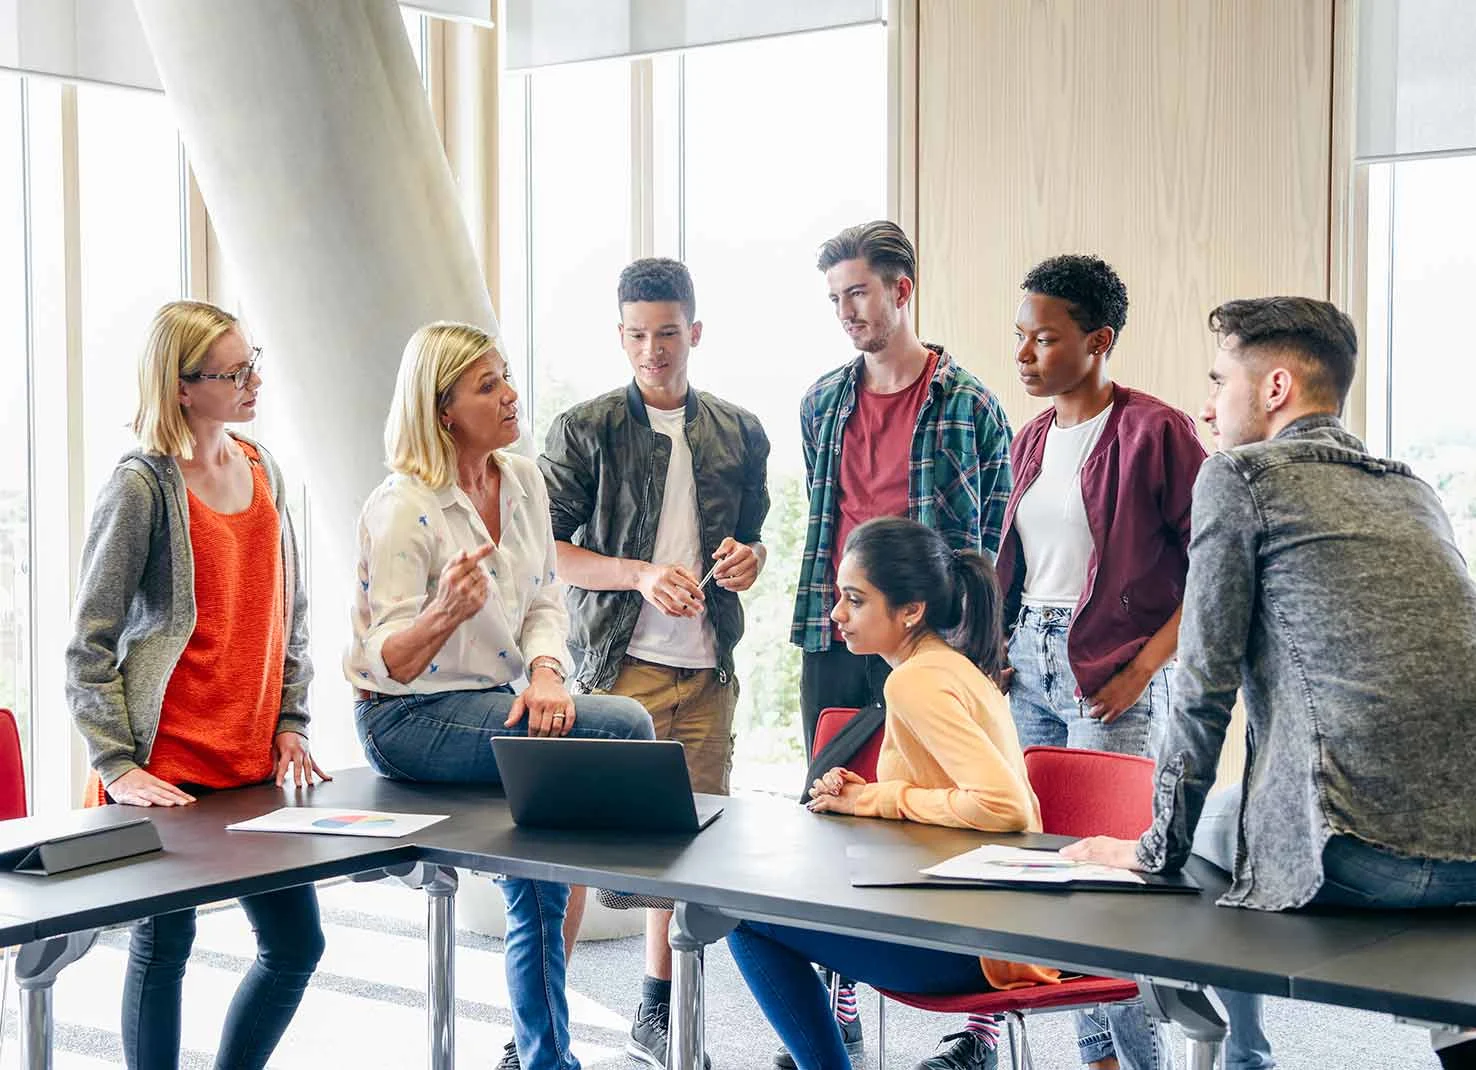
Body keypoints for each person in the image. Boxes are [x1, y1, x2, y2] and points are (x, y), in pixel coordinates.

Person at [1062, 296, 1476, 1070]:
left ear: (1276, 386)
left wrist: (1151, 850)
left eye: (1220, 380)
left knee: (1188, 841)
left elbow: (1205, 681)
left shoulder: (1241, 476)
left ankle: (1216, 1044)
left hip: (1354, 858)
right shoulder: (1413, 489)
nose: (1207, 404)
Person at [346, 321, 655, 1070]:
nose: (512, 394)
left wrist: (549, 672)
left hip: (497, 697)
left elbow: (547, 599)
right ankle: (626, 869)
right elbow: (384, 661)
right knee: (624, 723)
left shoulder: (521, 481)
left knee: (539, 880)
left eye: (507, 375)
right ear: (443, 408)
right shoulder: (401, 508)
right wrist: (443, 613)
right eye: (489, 385)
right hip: (406, 717)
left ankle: (547, 1059)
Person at [66, 300, 329, 1070]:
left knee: (296, 946)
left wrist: (293, 717)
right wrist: (117, 764)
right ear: (183, 388)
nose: (254, 380)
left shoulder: (260, 466)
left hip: (252, 766)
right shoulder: (142, 488)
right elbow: (90, 641)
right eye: (234, 371)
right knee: (165, 943)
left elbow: (290, 608)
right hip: (171, 766)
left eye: (255, 361)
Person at [791, 221, 1014, 1067]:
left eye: (858, 293)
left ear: (901, 290)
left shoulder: (971, 405)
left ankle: (984, 1026)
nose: (847, 311)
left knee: (964, 810)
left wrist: (983, 646)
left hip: (938, 639)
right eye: (836, 298)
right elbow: (821, 514)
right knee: (836, 803)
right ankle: (840, 994)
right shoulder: (822, 401)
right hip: (838, 629)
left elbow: (991, 538)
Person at [538, 258, 770, 1068]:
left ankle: (656, 1010)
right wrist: (637, 573)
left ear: (694, 333)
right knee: (571, 853)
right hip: (613, 668)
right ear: (620, 336)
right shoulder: (583, 429)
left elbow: (753, 538)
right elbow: (549, 552)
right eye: (637, 335)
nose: (653, 351)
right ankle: (542, 1028)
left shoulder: (740, 431)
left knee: (686, 851)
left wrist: (750, 560)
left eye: (667, 333)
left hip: (706, 673)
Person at [733, 516, 1059, 1070]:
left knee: (742, 917)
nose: (837, 614)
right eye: (840, 597)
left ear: (911, 611)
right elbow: (947, 795)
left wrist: (878, 800)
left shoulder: (914, 680)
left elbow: (1005, 808)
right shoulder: (947, 667)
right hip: (997, 928)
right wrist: (870, 794)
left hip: (980, 945)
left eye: (855, 601)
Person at [995, 255, 1206, 1070]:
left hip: (1116, 671)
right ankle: (1101, 1059)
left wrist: (1144, 670)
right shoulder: (1032, 439)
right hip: (1033, 665)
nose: (1023, 355)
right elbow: (1025, 566)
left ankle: (1150, 1059)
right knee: (1054, 875)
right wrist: (1003, 650)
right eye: (1020, 337)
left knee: (1114, 884)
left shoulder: (1158, 431)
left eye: (1043, 339)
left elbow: (1212, 574)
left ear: (1099, 340)